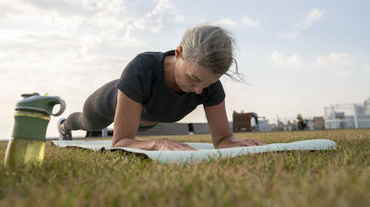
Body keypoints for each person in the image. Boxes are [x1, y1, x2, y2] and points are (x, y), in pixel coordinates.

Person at [57, 25, 263, 150]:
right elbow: (120, 142)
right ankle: (65, 125)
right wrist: (157, 143)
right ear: (179, 52)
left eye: (207, 83)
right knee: (88, 123)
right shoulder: (141, 69)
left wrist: (236, 143)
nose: (199, 90)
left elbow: (223, 139)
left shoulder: (210, 88)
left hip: (147, 118)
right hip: (107, 103)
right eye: (193, 78)